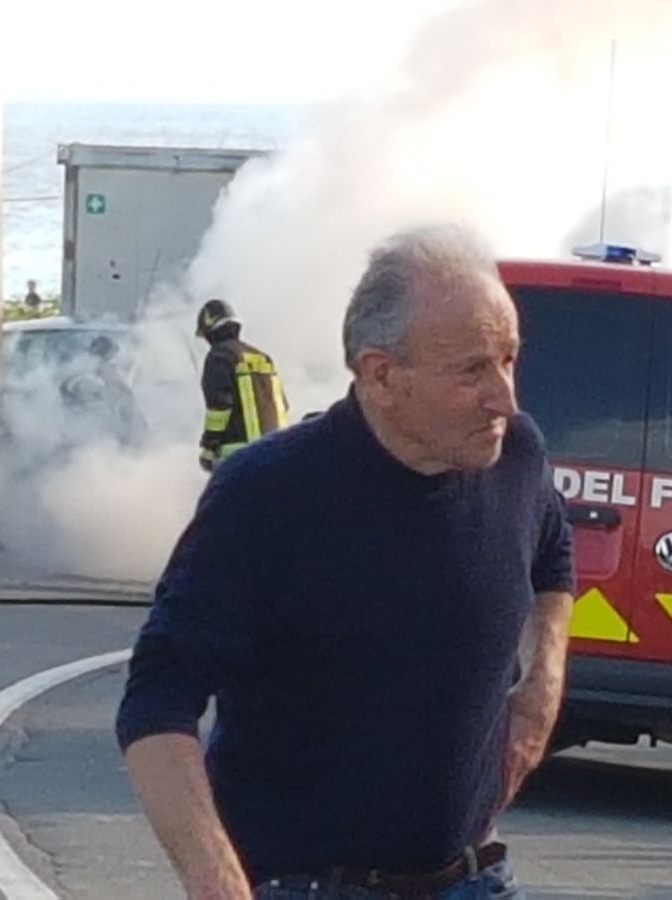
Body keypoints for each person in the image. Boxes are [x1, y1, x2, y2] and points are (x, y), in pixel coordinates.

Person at [116, 224, 575, 899]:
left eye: (509, 359)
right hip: (308, 884)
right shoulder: (267, 495)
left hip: (474, 878)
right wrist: (214, 878)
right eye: (472, 370)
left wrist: (541, 688)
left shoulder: (517, 455)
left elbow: (553, 558)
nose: (505, 397)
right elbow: (156, 699)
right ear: (381, 375)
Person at [195, 298, 289, 471]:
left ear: (210, 330)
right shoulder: (262, 357)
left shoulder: (219, 357)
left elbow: (220, 406)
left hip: (239, 456)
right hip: (276, 450)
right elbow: (283, 404)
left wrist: (209, 446)